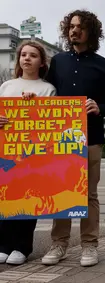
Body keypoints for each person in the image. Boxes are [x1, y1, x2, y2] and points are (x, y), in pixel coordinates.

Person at [41, 9, 105, 267]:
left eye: (80, 27)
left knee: (89, 195)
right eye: (71, 26)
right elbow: (47, 94)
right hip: (60, 140)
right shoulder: (58, 61)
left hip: (91, 137)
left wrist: (100, 108)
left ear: (91, 32)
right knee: (61, 191)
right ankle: (59, 243)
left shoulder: (104, 66)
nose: (74, 30)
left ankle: (89, 246)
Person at [0, 40, 56, 265]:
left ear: (42, 62)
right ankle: (4, 244)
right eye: (24, 54)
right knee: (6, 197)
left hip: (33, 153)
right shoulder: (6, 86)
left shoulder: (47, 88)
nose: (27, 58)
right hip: (7, 150)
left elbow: (51, 121)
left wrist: (33, 108)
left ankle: (22, 247)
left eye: (33, 55)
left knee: (28, 197)